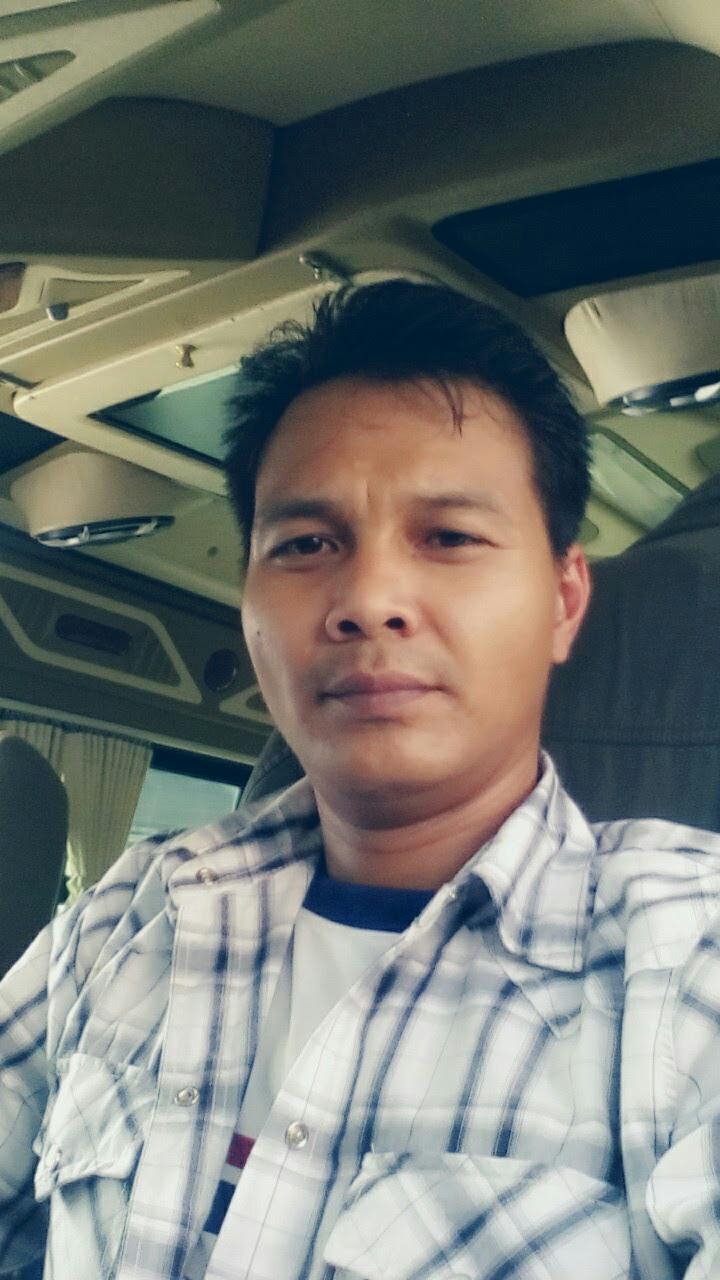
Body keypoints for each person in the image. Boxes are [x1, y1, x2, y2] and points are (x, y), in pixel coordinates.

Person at [1, 280, 720, 1280]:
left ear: (563, 601)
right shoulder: (128, 915)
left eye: (450, 537)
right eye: (306, 544)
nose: (369, 598)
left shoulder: (685, 958)